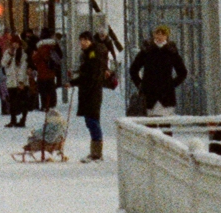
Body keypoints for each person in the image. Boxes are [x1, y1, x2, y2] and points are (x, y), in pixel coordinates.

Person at [73, 28, 118, 162]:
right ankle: (95, 151)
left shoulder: (94, 54)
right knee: (90, 120)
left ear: (90, 40)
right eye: (81, 40)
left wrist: (75, 81)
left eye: (85, 40)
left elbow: (91, 74)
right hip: (89, 90)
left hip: (92, 91)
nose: (82, 43)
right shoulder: (89, 53)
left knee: (92, 120)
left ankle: (97, 153)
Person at [127, 25, 188, 118]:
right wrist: (140, 84)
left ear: (167, 36)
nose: (159, 37)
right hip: (149, 95)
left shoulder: (171, 52)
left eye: (163, 34)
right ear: (154, 35)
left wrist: (171, 84)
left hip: (166, 97)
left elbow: (182, 72)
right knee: (150, 126)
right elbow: (133, 69)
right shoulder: (146, 51)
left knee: (165, 126)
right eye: (157, 34)